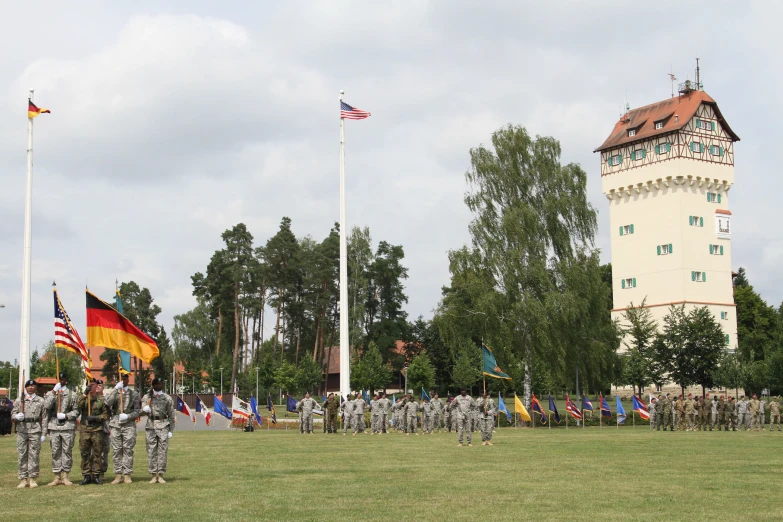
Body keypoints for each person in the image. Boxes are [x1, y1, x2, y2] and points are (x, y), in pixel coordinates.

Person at [44, 372, 79, 486]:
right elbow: (46, 406)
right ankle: (56, 476)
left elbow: (77, 410)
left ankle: (65, 476)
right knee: (55, 452)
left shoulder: (72, 395)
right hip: (54, 426)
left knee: (67, 451)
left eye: (63, 379)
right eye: (59, 379)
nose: (61, 380)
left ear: (66, 380)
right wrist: (54, 392)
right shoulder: (51, 393)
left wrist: (66, 415)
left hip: (67, 426)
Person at [105, 373, 141, 484]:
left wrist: (128, 416)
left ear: (128, 379)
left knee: (128, 450)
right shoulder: (115, 393)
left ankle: (127, 474)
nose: (123, 380)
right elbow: (107, 402)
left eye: (125, 378)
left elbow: (137, 411)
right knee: (116, 450)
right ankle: (118, 474)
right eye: (121, 378)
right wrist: (115, 389)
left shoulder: (134, 394)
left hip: (128, 425)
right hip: (116, 425)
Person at [12, 379, 47, 488]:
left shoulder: (41, 401)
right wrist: (16, 417)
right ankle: (23, 479)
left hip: (35, 429)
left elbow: (44, 417)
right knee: (22, 454)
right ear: (26, 387)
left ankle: (32, 478)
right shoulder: (19, 400)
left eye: (33, 386)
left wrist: (44, 433)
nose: (31, 388)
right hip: (22, 429)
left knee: (34, 455)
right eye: (29, 386)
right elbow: (13, 414)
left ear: (36, 388)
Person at [140, 377, 175, 484]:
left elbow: (171, 415)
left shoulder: (167, 398)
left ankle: (160, 475)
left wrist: (171, 430)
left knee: (162, 451)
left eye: (160, 384)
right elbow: (140, 412)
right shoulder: (147, 397)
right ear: (153, 385)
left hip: (163, 425)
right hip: (151, 425)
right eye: (157, 384)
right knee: (151, 451)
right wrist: (144, 409)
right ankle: (153, 475)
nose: (159, 385)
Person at [77, 379, 109, 485]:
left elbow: (106, 415)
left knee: (97, 453)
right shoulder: (84, 398)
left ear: (96, 387)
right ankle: (86, 475)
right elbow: (78, 406)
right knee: (85, 453)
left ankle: (96, 475)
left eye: (93, 385)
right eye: (89, 385)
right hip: (85, 429)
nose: (91, 387)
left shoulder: (101, 399)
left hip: (97, 430)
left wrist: (95, 418)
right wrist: (85, 393)